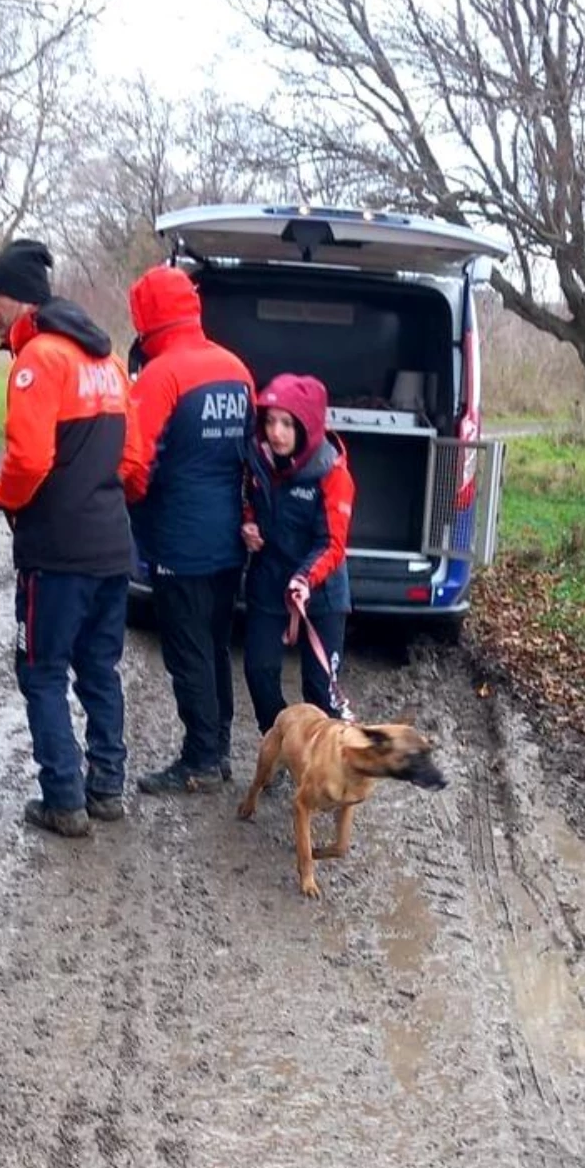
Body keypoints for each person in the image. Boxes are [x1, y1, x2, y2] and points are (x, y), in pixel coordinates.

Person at [0, 237, 140, 838]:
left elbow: (26, 461)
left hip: (55, 554)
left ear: (19, 301)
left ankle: (63, 800)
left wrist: (4, 498)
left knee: (41, 670)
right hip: (109, 545)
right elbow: (131, 457)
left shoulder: (38, 361)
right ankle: (107, 789)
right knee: (99, 668)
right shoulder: (107, 362)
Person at [124, 263, 254, 794]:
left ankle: (200, 757)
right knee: (216, 644)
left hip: (179, 538)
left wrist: (129, 502)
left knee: (187, 649)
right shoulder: (236, 369)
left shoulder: (161, 376)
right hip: (227, 537)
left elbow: (133, 465)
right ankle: (218, 747)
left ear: (147, 315)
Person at [242, 373, 354, 734]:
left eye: (287, 424)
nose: (276, 433)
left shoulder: (332, 473)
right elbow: (247, 502)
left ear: (306, 426)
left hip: (320, 594)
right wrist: (248, 526)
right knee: (258, 673)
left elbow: (332, 544)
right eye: (270, 421)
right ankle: (283, 742)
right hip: (268, 583)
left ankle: (327, 768)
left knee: (320, 692)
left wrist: (305, 578)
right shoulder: (257, 461)